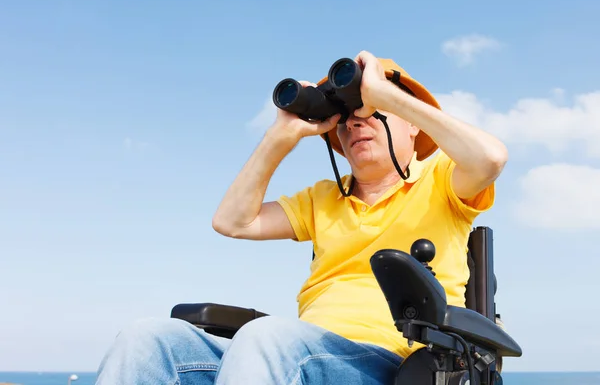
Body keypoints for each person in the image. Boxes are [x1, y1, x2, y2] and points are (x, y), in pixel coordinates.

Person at [95, 50, 508, 384]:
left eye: (372, 114)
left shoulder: (442, 180)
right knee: (145, 341)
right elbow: (232, 221)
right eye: (346, 120)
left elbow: (491, 157)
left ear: (413, 125)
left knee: (266, 337)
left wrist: (387, 94)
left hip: (388, 363)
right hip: (300, 356)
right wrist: (281, 135)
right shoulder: (323, 198)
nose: (356, 125)